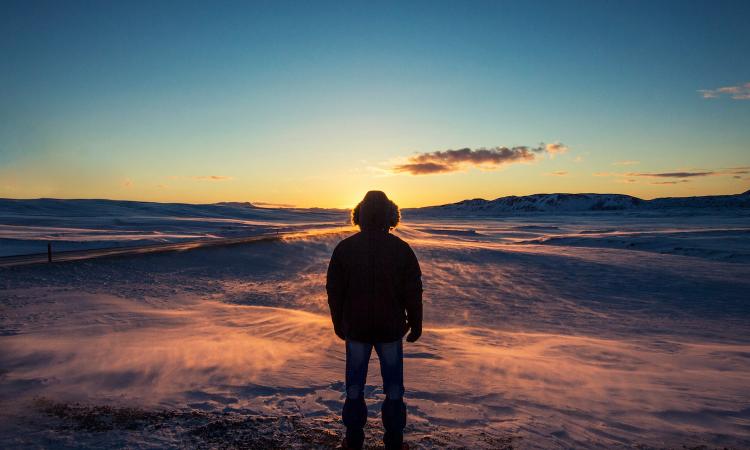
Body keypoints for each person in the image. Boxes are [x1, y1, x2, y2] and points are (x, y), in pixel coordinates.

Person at [326, 190, 423, 450]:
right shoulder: (401, 249)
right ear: (391, 216)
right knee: (393, 388)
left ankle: (354, 439)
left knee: (355, 386)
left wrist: (339, 322)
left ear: (359, 216)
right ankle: (393, 441)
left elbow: (335, 291)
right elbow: (413, 291)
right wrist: (416, 322)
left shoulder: (345, 248)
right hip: (390, 329)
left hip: (356, 329)